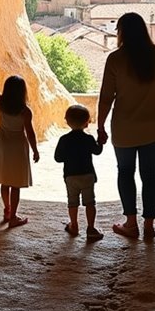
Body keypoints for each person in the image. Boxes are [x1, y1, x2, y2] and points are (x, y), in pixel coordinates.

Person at [96, 12, 155, 241]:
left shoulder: (115, 59)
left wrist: (100, 125)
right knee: (150, 175)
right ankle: (149, 226)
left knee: (125, 173)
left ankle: (131, 223)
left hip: (124, 129)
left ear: (121, 32)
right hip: (154, 129)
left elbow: (106, 97)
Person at [0, 62, 40, 228]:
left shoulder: (1, 103)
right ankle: (13, 216)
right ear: (22, 92)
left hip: (3, 143)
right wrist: (35, 150)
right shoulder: (25, 111)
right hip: (18, 145)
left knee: (5, 180)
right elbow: (30, 132)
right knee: (16, 183)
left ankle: (7, 210)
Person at [54, 104, 105, 242]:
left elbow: (58, 158)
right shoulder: (88, 139)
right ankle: (91, 228)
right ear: (87, 122)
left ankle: (74, 225)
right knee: (90, 202)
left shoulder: (64, 140)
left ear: (67, 121)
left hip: (71, 176)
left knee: (72, 202)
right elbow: (97, 151)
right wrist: (100, 142)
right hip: (87, 175)